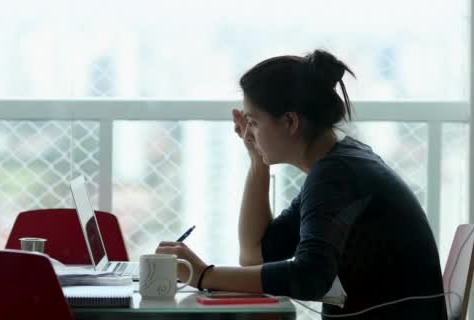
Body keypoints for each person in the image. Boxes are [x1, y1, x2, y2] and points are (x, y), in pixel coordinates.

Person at [156, 49, 447, 320]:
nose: (248, 133)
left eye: (254, 122)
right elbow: (255, 254)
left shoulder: (335, 175)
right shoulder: (336, 165)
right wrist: (258, 163)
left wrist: (205, 275)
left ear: (290, 122)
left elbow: (309, 277)